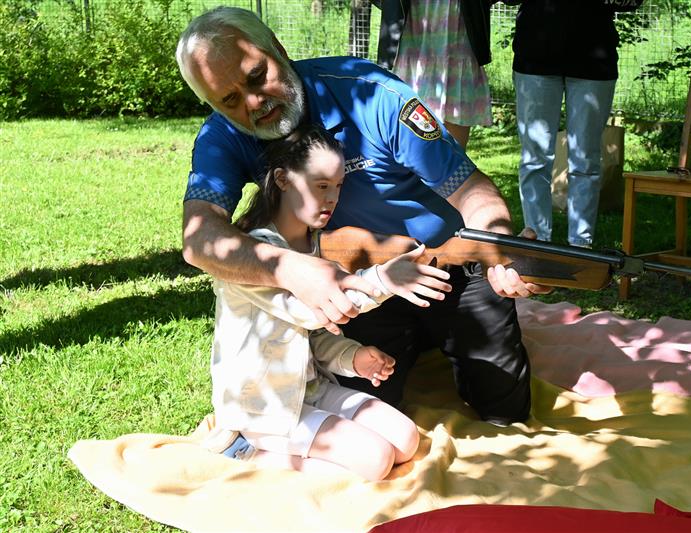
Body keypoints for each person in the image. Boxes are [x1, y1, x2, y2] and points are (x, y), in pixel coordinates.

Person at [175, 6, 548, 428]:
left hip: (453, 272)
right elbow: (200, 238)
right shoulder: (221, 136)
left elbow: (470, 188)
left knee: (506, 413)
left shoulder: (371, 93)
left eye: (257, 76)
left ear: (278, 49)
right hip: (358, 289)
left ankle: (435, 339)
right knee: (368, 420)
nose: (254, 102)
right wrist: (292, 270)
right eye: (229, 100)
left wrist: (501, 245)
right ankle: (421, 342)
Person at [209, 124, 453, 481]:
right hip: (262, 407)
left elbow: (311, 336)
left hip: (312, 389)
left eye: (338, 187)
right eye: (321, 185)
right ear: (282, 179)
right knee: (377, 460)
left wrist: (353, 357)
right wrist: (383, 279)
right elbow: (310, 311)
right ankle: (242, 450)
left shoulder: (313, 246)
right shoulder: (252, 254)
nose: (332, 198)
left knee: (406, 440)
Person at [512, 0, 643, 247]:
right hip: (535, 55)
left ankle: (581, 247)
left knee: (586, 159)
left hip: (593, 59)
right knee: (534, 158)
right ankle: (536, 244)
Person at [373, 0, 495, 148]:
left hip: (458, 43)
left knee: (456, 151)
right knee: (410, 139)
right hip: (414, 44)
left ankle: (456, 169)